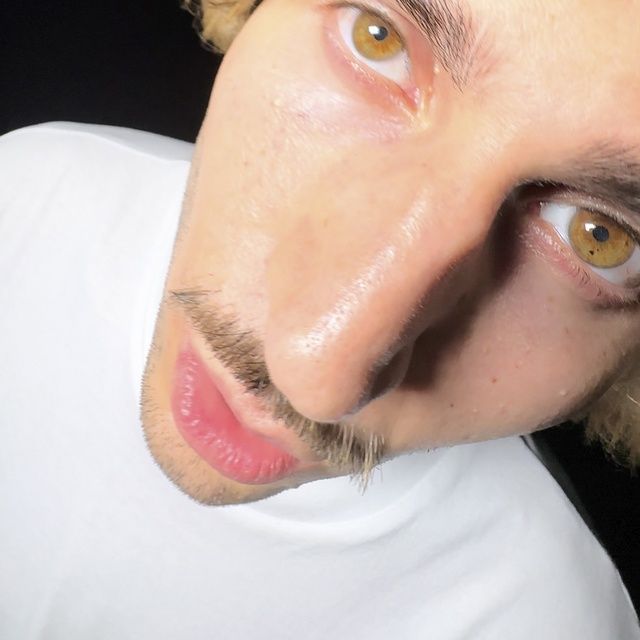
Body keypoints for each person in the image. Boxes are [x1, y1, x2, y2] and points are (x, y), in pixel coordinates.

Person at [1, 0, 640, 637]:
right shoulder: (25, 192)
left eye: (600, 237)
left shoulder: (539, 621)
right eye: (379, 37)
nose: (315, 380)